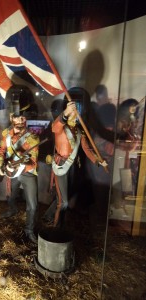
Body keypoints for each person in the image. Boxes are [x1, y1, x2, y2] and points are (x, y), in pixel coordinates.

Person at [43, 95, 108, 227]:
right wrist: (65, 113)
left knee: (64, 196)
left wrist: (98, 161)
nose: (75, 114)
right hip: (61, 165)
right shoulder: (61, 127)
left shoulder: (79, 132)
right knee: (64, 202)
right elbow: (55, 127)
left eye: (76, 112)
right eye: (73, 111)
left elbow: (87, 149)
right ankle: (56, 228)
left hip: (72, 167)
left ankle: (49, 216)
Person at [0, 89, 40, 244]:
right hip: (11, 171)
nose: (21, 120)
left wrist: (23, 163)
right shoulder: (5, 134)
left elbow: (33, 163)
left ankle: (29, 230)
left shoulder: (33, 138)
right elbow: (2, 150)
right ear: (12, 118)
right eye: (18, 117)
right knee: (10, 195)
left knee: (33, 205)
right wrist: (2, 166)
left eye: (23, 117)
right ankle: (12, 209)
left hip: (27, 173)